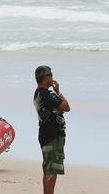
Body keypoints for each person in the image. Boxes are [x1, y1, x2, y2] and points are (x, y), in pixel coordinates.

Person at [33, 65, 70, 194]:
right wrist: (58, 91)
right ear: (45, 78)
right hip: (53, 135)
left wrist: (58, 108)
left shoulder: (38, 93)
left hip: (44, 133)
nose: (52, 78)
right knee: (52, 169)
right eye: (51, 75)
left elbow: (59, 108)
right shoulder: (47, 94)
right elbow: (66, 107)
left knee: (47, 168)